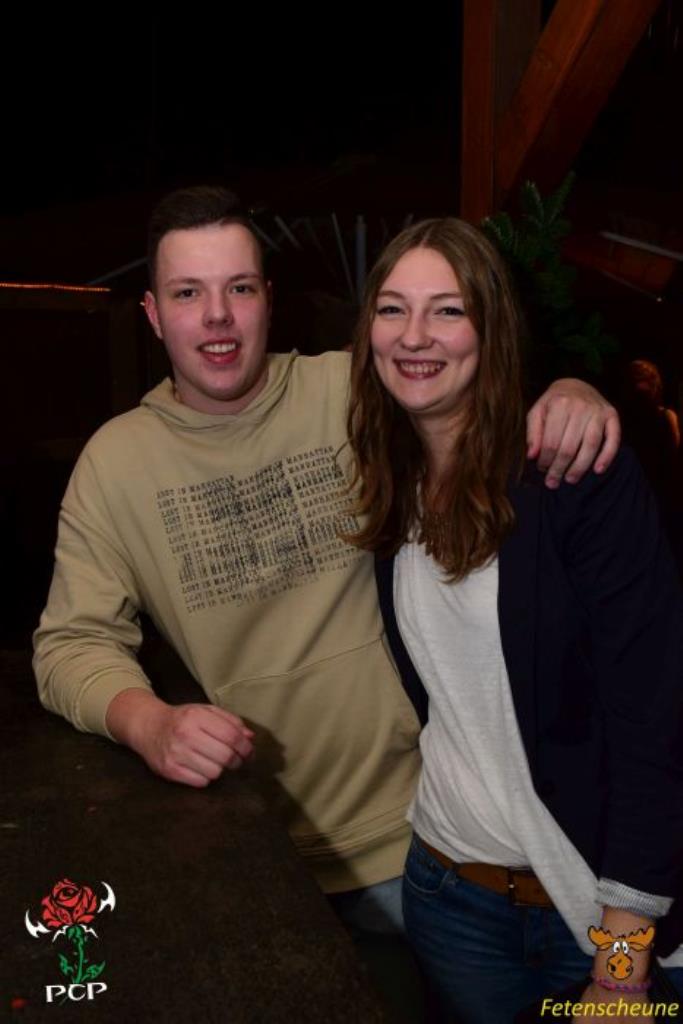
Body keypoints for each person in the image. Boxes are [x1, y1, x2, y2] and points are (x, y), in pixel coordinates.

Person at [33, 186, 619, 954]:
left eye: (239, 289)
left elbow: (475, 402)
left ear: (268, 300)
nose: (217, 316)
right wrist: (150, 723)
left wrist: (569, 391)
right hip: (263, 854)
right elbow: (70, 643)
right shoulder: (114, 465)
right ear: (152, 313)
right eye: (188, 293)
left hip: (438, 835)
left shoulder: (351, 390)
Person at [345, 217, 683, 1023]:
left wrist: (621, 968)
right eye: (392, 309)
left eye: (447, 310)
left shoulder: (571, 475)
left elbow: (655, 725)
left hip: (591, 918)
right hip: (445, 897)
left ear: (491, 327)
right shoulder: (394, 478)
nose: (414, 335)